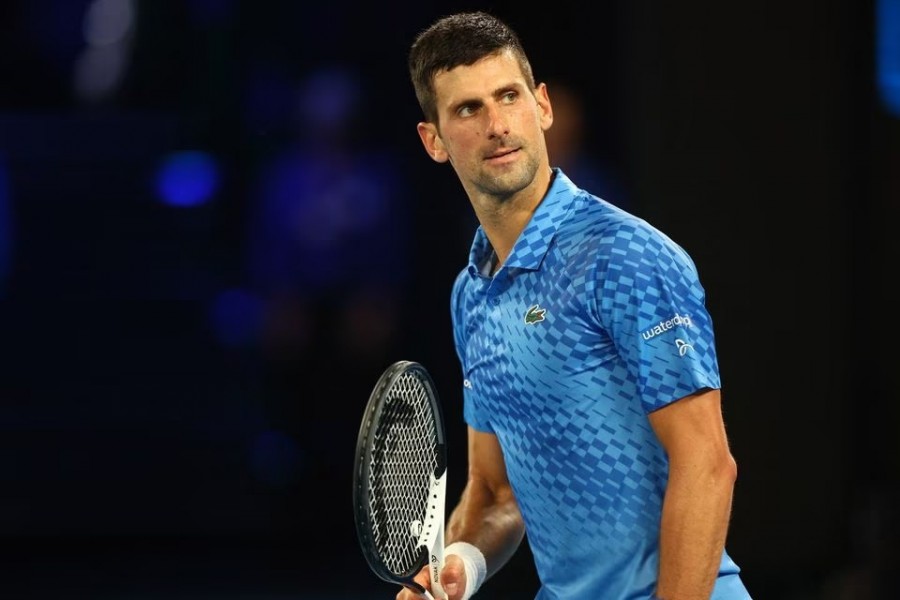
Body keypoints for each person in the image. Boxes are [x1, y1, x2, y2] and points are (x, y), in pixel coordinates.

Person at [399, 11, 751, 600]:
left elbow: (707, 464)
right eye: (467, 109)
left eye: (508, 96)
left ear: (542, 107)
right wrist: (460, 561)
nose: (496, 124)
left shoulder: (625, 256)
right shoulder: (471, 296)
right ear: (434, 140)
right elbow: (497, 493)